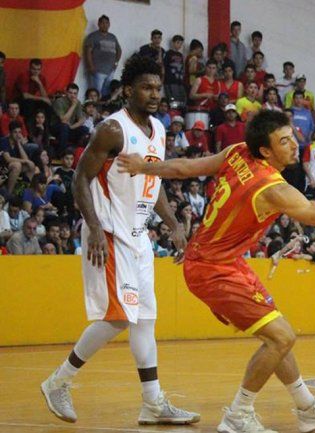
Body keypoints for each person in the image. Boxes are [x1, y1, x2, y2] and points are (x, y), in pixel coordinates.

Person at [114, 109, 315, 433]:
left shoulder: (237, 152)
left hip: (222, 260)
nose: (295, 144)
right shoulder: (273, 189)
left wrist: (144, 167)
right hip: (212, 269)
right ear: (266, 151)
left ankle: (307, 408)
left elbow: (186, 167)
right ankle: (239, 414)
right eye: (284, 142)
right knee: (282, 336)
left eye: (292, 136)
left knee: (276, 335)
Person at [40, 55, 199, 426]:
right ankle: (57, 382)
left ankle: (153, 404)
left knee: (145, 320)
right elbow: (79, 178)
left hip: (139, 237)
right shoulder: (112, 129)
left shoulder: (159, 130)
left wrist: (173, 223)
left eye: (159, 88)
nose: (155, 94)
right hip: (109, 233)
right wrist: (94, 227)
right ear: (128, 90)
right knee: (117, 318)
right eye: (147, 87)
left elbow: (153, 182)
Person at [84, 15, 122, 97]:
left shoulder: (112, 37)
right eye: (102, 23)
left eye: (107, 23)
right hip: (97, 70)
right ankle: (95, 109)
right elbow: (88, 52)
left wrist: (115, 63)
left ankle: (104, 109)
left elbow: (119, 50)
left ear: (109, 24)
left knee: (106, 93)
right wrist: (91, 66)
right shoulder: (93, 36)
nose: (105, 25)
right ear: (99, 24)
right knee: (95, 93)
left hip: (110, 70)